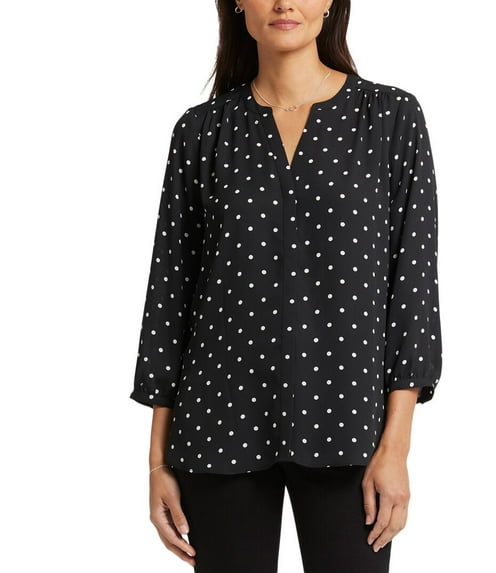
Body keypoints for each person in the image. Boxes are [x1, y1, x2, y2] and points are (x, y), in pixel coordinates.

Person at [129, 1, 443, 571]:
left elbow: (412, 290)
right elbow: (170, 298)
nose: (283, 2)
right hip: (217, 421)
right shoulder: (201, 131)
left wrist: (396, 448)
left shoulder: (390, 117)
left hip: (350, 422)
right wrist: (157, 462)